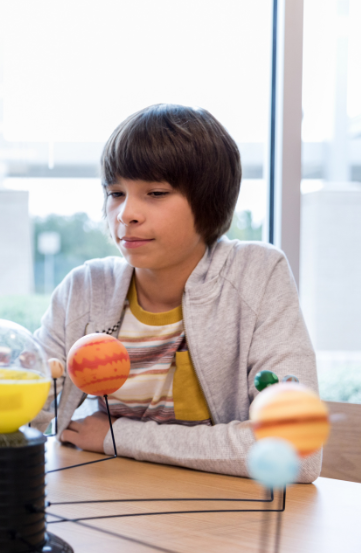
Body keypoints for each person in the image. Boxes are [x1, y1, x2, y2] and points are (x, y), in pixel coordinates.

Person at [31, 104, 320, 482]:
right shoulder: (85, 288)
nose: (126, 214)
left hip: (219, 523)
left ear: (209, 201)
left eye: (155, 192)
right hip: (98, 506)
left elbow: (295, 451)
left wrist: (119, 438)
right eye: (115, 192)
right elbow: (30, 413)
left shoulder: (256, 274)